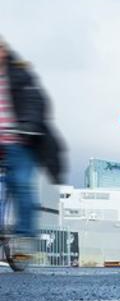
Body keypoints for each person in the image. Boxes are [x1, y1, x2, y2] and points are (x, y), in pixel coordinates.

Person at [0, 37, 65, 262]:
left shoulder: (19, 74)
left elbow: (35, 102)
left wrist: (28, 125)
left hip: (21, 140)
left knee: (20, 184)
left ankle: (24, 239)